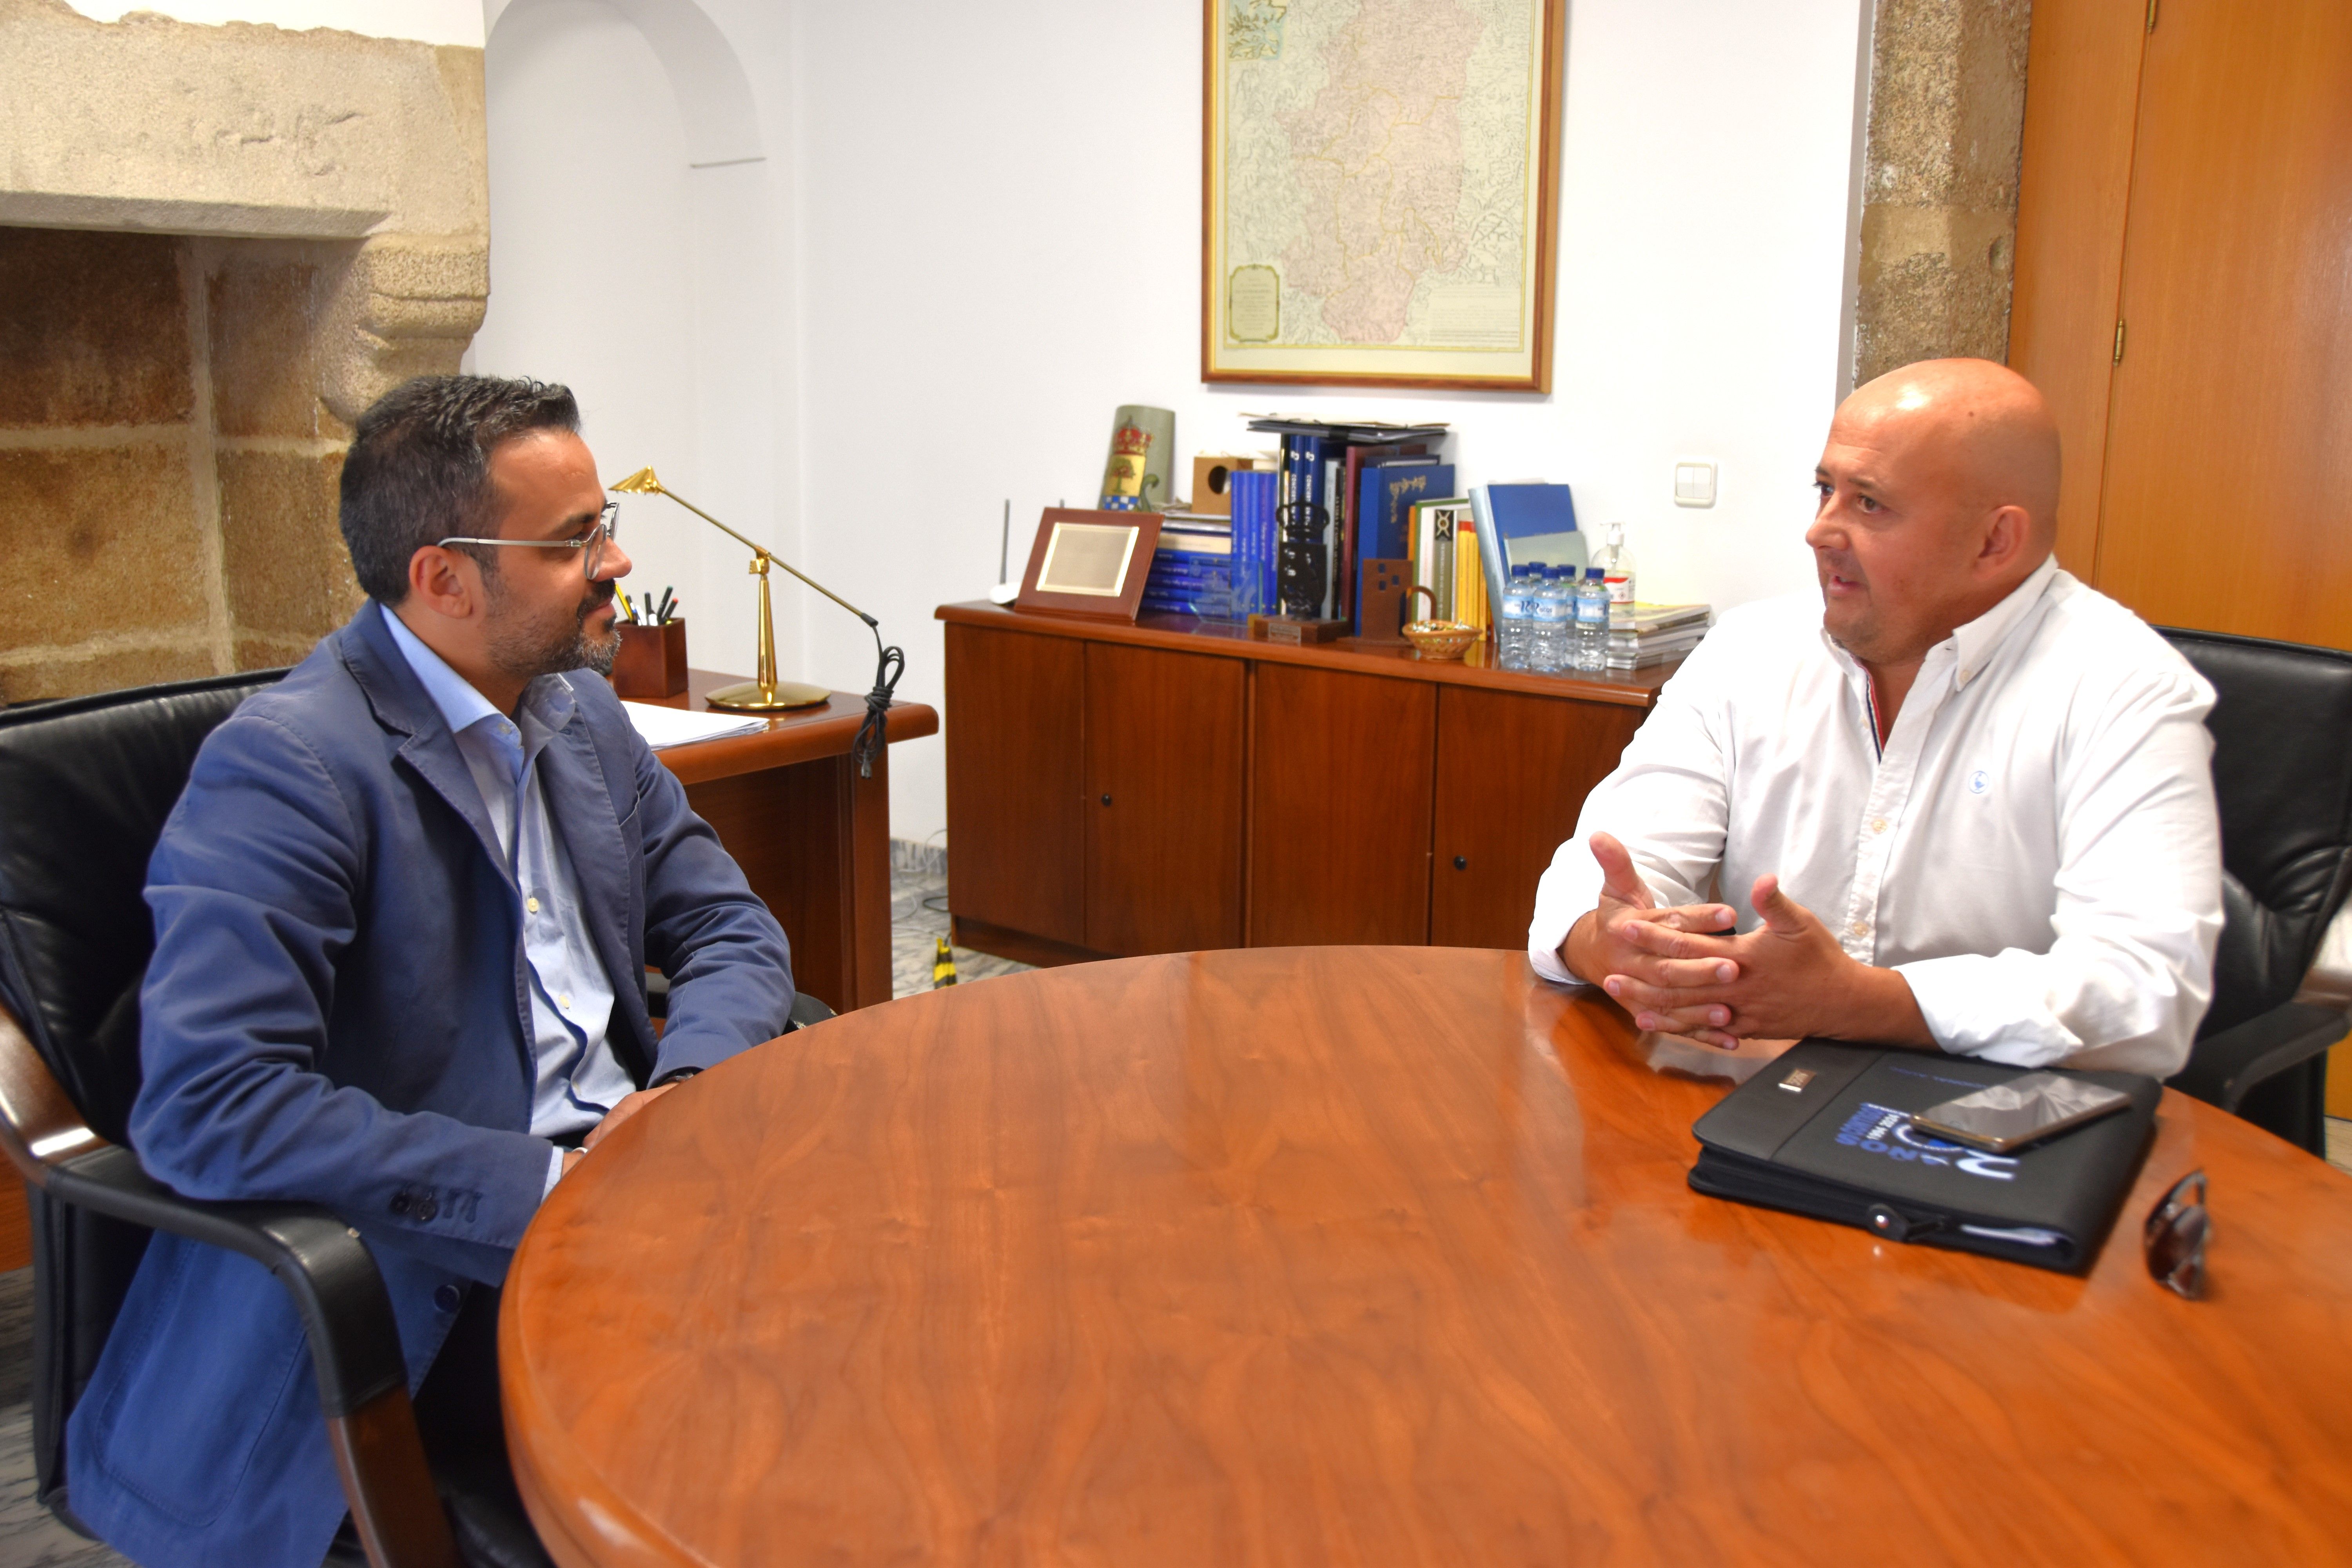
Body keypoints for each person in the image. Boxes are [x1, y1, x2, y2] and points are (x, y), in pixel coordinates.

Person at [65, 376, 797, 1568]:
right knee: (765, 1436)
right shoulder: (289, 769)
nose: (617, 561)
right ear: (443, 578)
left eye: (604, 526)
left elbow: (731, 928)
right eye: (575, 542)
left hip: (637, 1189)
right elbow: (207, 1105)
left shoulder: (580, 714)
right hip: (437, 1272)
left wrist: (682, 1097)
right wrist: (553, 1192)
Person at [1528, 358, 2221, 1075]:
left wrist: (1866, 1002)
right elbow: (1598, 873)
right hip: (1759, 1090)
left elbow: (2148, 990)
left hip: (1998, 1123)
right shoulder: (1749, 649)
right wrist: (1620, 943)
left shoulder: (2127, 689)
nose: (1819, 532)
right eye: (1825, 490)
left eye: (1870, 505)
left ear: (1995, 542)